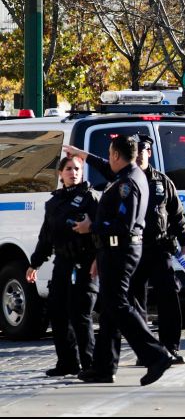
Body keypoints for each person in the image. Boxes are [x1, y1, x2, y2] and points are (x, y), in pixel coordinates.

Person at [66, 136, 185, 366]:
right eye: (139, 150)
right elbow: (105, 166)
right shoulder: (126, 176)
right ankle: (138, 355)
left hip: (157, 246)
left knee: (162, 297)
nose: (142, 154)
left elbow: (176, 216)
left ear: (149, 153)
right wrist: (82, 154)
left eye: (146, 150)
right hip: (134, 250)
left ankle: (165, 349)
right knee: (131, 301)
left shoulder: (152, 182)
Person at [26, 156, 99, 377]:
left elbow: (102, 232)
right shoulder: (54, 202)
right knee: (57, 311)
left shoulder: (91, 198)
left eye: (77, 169)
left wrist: (98, 259)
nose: (73, 173)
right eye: (69, 169)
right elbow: (46, 237)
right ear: (60, 173)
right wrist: (35, 263)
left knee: (80, 313)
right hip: (63, 263)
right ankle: (67, 362)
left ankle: (90, 364)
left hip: (85, 262)